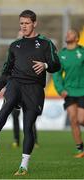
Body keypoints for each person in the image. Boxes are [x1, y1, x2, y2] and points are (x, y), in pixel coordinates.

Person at [0, 9, 60, 175]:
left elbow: (57, 65)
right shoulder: (15, 45)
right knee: (7, 106)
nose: (24, 26)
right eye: (21, 23)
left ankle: (23, 166)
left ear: (35, 23)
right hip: (15, 83)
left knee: (28, 126)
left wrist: (46, 65)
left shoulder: (45, 43)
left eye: (27, 23)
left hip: (34, 88)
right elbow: (6, 70)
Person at [53, 29, 84, 158]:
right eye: (67, 33)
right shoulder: (61, 55)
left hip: (83, 90)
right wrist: (61, 89)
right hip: (69, 92)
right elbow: (57, 74)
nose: (67, 34)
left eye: (71, 33)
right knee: (73, 119)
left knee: (81, 119)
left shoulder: (82, 52)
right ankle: (81, 149)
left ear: (77, 38)